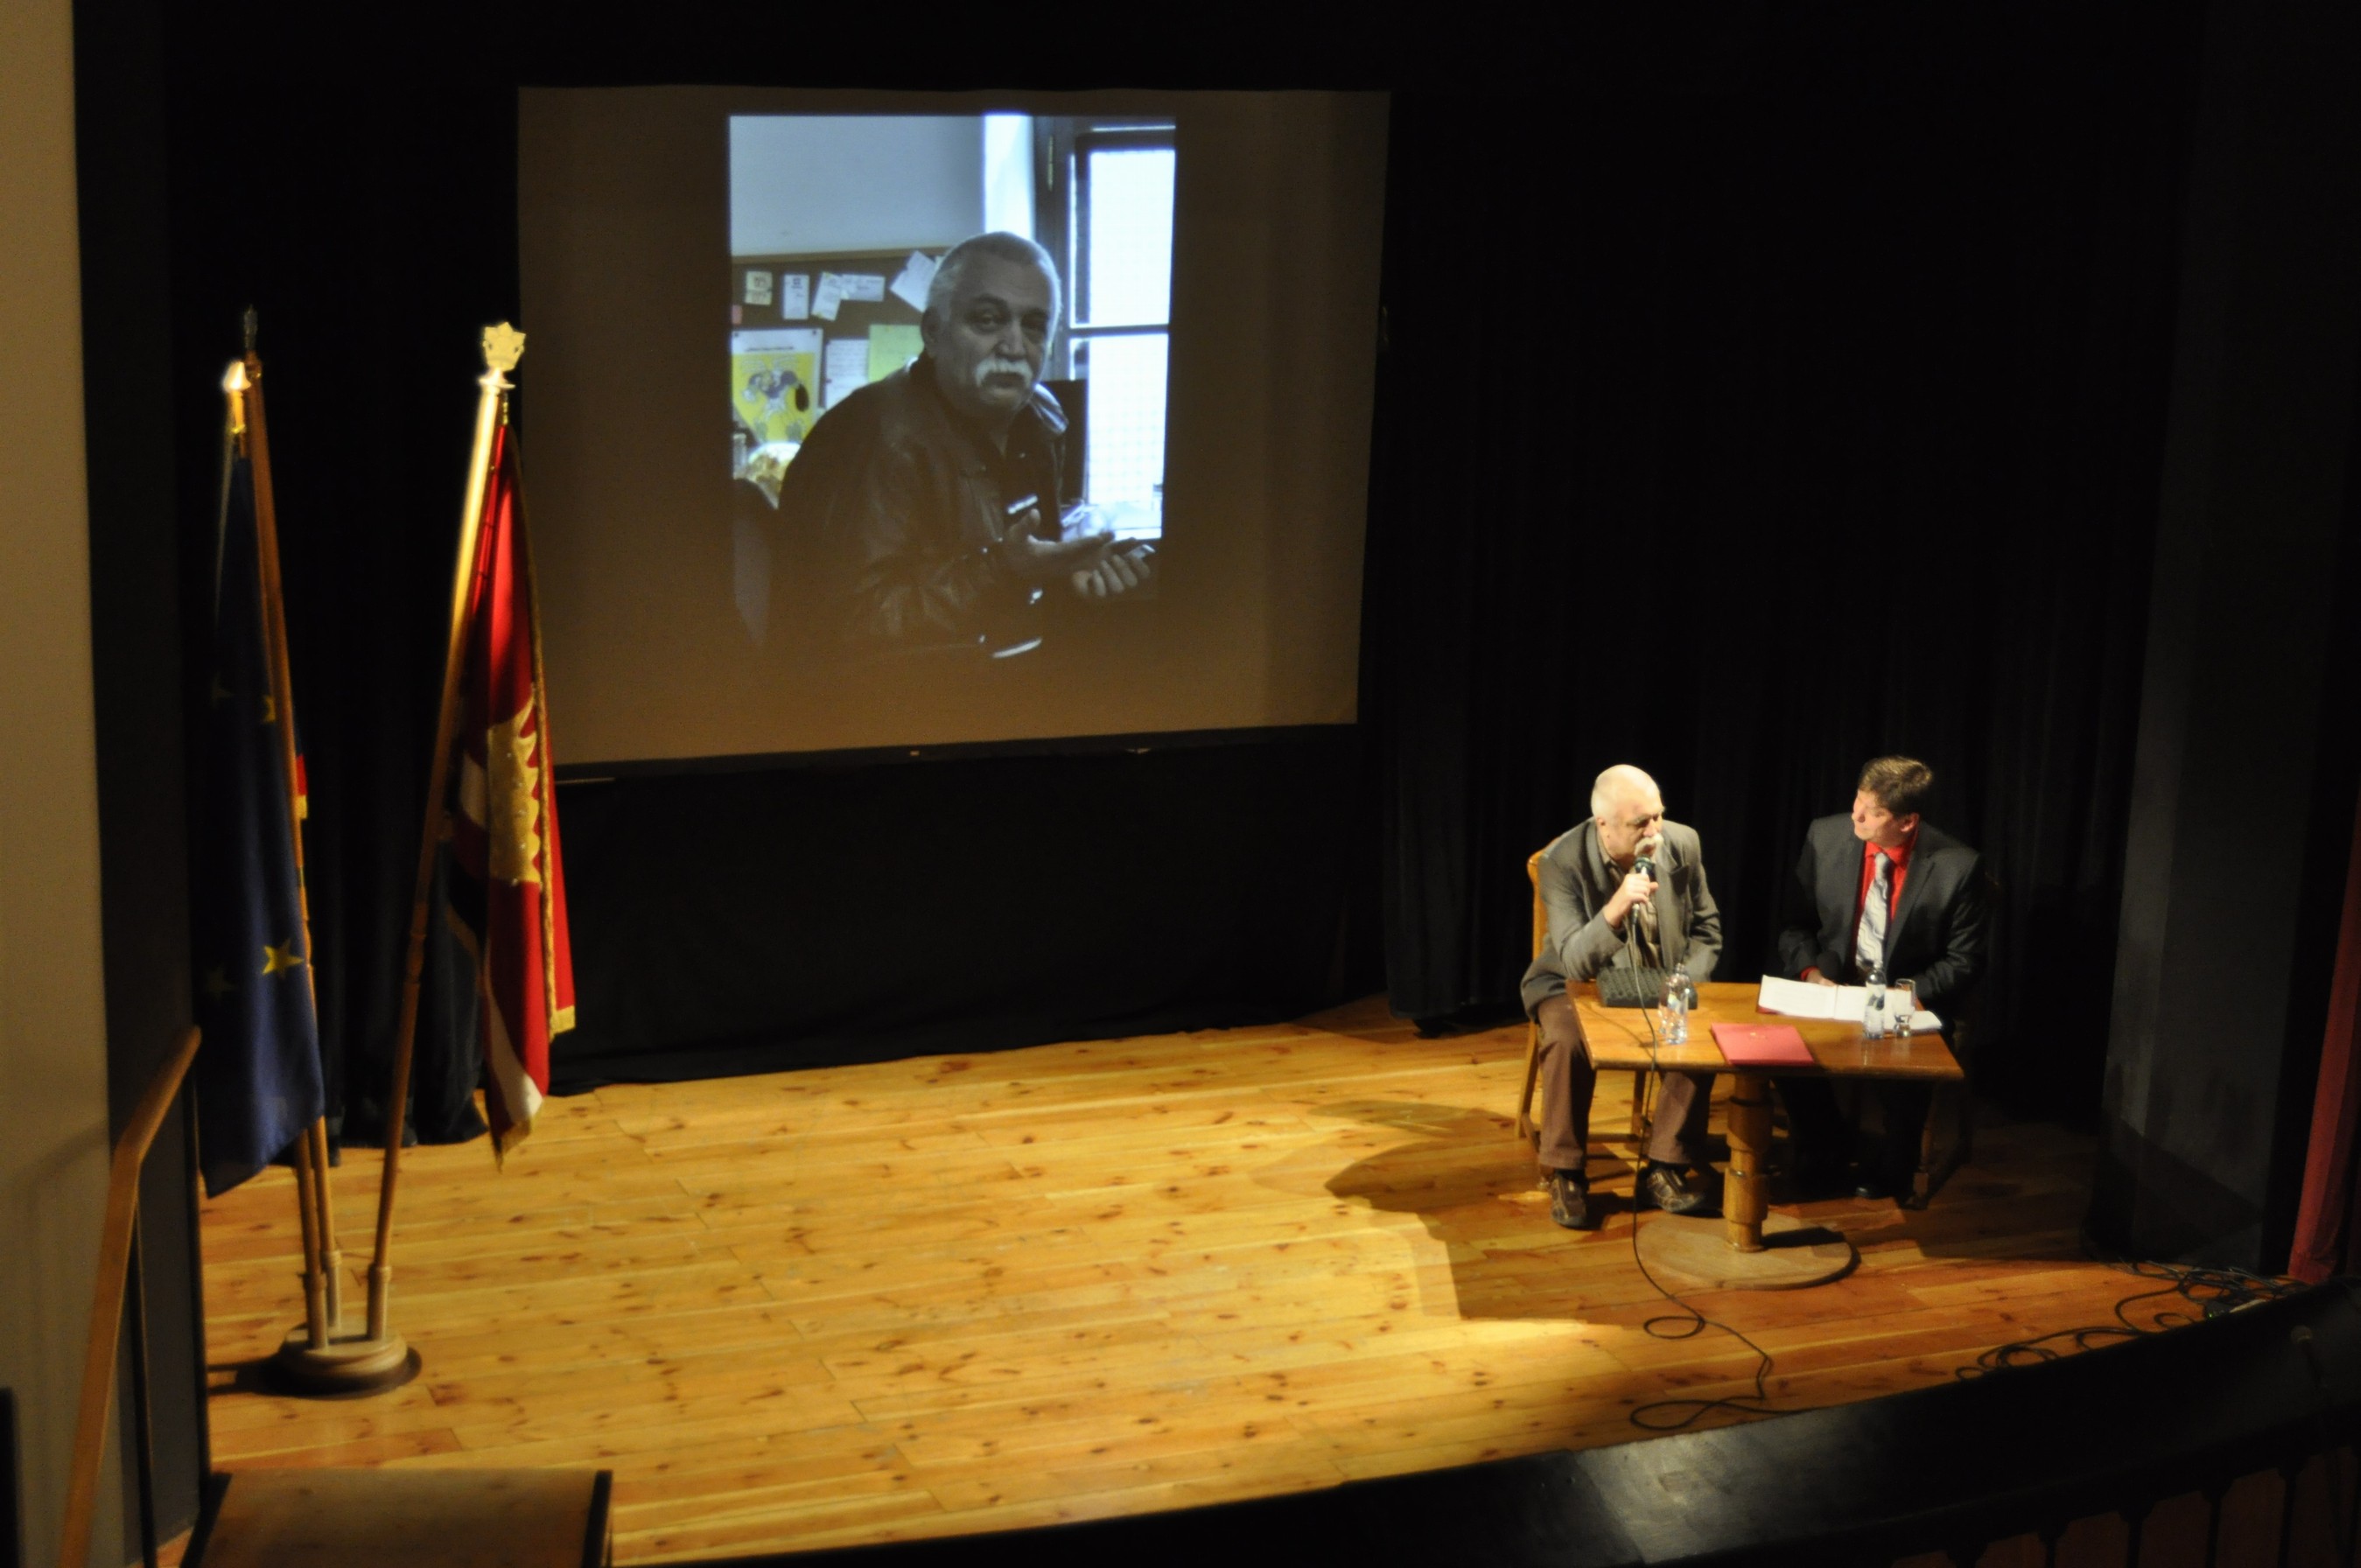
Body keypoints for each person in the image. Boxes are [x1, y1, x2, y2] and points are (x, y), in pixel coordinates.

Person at [778, 231, 1150, 658]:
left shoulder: (1041, 417)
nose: (1014, 347)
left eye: (1034, 326)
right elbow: (848, 624)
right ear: (934, 332)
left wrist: (1069, 572)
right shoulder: (872, 435)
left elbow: (1026, 563)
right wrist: (1003, 571)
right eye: (988, 320)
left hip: (1014, 670)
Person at [1776, 755, 1991, 1200]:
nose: (1856, 815)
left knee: (1903, 1067)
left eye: (1872, 812)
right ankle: (1827, 1143)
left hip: (1907, 995)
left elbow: (1963, 961)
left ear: (1908, 821)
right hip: (1834, 985)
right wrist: (1811, 973)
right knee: (1781, 1054)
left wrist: (1901, 995)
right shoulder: (1825, 836)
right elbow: (1795, 925)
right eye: (1858, 801)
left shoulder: (1957, 867)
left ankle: (1895, 1168)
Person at [1521, 765, 1725, 1229]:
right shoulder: (1561, 860)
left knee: (1699, 1037)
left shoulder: (1683, 843)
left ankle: (1666, 1165)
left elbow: (1707, 929)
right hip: (1577, 983)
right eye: (1641, 823)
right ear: (1604, 825)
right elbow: (1574, 961)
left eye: (1658, 816)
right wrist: (1615, 908)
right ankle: (1567, 1171)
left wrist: (1682, 982)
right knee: (1568, 1040)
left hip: (1661, 979)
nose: (1655, 832)